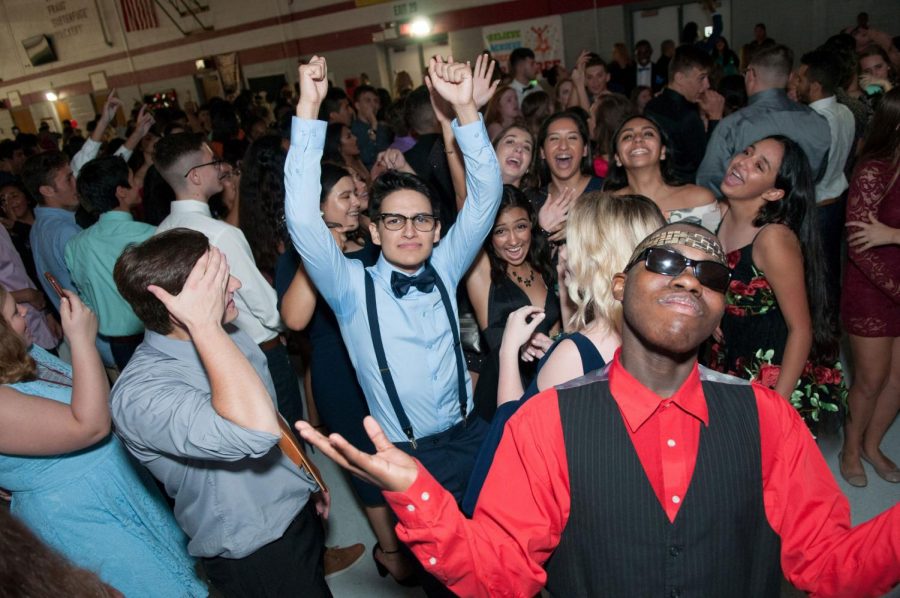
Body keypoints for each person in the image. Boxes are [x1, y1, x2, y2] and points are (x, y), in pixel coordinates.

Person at [299, 220, 900, 598]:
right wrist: (419, 495)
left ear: (722, 305)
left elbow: (831, 568)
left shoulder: (767, 417)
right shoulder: (544, 422)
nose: (689, 280)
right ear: (619, 286)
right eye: (665, 263)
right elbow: (501, 578)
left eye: (709, 274)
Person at [285, 55, 502, 506]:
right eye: (395, 220)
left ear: (438, 230)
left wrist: (466, 112)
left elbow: (485, 199)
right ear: (375, 230)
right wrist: (309, 110)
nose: (409, 230)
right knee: (437, 574)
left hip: (473, 437)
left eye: (422, 219)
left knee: (503, 554)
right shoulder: (349, 286)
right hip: (409, 457)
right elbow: (304, 221)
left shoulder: (445, 265)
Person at [110, 231, 334, 597]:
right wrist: (205, 326)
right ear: (181, 306)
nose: (237, 284)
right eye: (217, 281)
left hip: (292, 511)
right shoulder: (140, 395)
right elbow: (255, 431)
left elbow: (271, 415)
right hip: (255, 550)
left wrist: (307, 478)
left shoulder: (228, 331)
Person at [461, 192, 664, 515]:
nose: (567, 251)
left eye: (575, 242)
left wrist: (510, 348)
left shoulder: (575, 353)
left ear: (599, 257)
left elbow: (513, 434)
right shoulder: (660, 332)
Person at [0, 284, 204, 597]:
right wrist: (81, 339)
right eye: (14, 312)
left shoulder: (22, 355)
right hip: (80, 516)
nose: (26, 311)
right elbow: (90, 425)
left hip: (110, 490)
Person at [152, 132, 305, 432]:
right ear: (195, 176)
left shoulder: (161, 233)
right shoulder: (220, 234)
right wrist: (290, 323)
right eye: (214, 161)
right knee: (287, 436)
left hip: (211, 354)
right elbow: (268, 310)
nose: (221, 168)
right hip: (261, 350)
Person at [708, 136, 844, 426]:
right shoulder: (719, 215)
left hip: (774, 372)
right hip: (729, 361)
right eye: (747, 152)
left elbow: (801, 330)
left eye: (759, 165)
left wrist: (777, 409)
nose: (742, 162)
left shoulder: (773, 239)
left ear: (772, 193)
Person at [839, 87, 900, 487]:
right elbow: (861, 248)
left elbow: (883, 238)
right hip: (872, 291)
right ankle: (850, 447)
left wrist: (894, 234)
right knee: (871, 380)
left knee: (898, 380)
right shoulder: (874, 170)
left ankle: (873, 445)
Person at [465, 185, 559, 421]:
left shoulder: (543, 266)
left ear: (531, 226)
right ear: (488, 234)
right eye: (500, 231)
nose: (513, 240)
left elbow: (557, 333)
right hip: (499, 396)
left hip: (544, 389)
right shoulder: (481, 271)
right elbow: (463, 202)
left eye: (520, 226)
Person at [697, 44, 831, 198]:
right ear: (788, 79)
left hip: (746, 216)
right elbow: (817, 175)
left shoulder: (734, 125)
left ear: (751, 75)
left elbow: (709, 181)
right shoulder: (818, 120)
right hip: (796, 213)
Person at [65, 156, 155, 370]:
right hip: (159, 334)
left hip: (118, 344)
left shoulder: (75, 245)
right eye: (132, 180)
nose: (138, 184)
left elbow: (86, 297)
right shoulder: (150, 235)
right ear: (121, 191)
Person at [794, 48, 855, 301]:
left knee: (812, 277)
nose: (797, 83)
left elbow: (809, 170)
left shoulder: (813, 120)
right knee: (830, 272)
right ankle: (829, 328)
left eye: (801, 79)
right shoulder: (846, 112)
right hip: (836, 202)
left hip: (815, 207)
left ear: (815, 85)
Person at [604, 114, 721, 230]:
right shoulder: (606, 208)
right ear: (617, 158)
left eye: (648, 134)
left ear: (663, 151)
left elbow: (715, 246)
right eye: (627, 136)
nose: (638, 139)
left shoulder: (701, 200)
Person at [644, 45, 725, 183]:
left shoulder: (651, 105)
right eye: (702, 78)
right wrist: (715, 119)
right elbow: (708, 164)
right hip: (687, 191)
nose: (707, 85)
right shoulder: (686, 115)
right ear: (680, 78)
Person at [531, 111, 604, 244]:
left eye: (572, 138)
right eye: (554, 138)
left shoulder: (605, 192)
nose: (563, 146)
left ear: (585, 150)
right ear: (542, 152)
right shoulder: (531, 200)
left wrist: (577, 231)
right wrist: (542, 231)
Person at [350, 85, 391, 170]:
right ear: (357, 105)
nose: (373, 105)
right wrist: (373, 126)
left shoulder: (382, 128)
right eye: (368, 101)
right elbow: (366, 157)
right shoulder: (353, 130)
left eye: (376, 101)